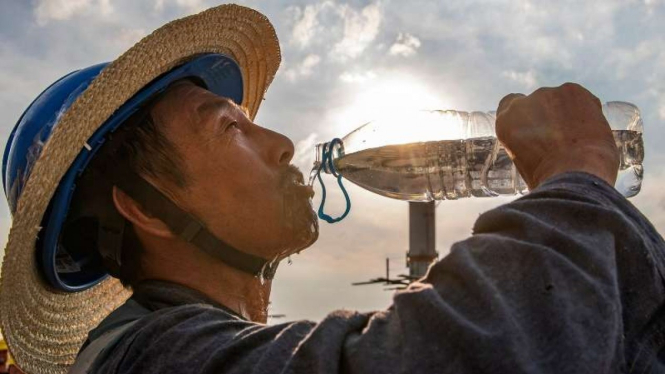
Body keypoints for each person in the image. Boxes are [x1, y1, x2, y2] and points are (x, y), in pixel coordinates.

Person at [1, 4, 663, 374]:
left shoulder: (199, 345)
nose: (281, 144)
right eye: (228, 129)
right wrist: (572, 173)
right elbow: (479, 353)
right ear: (143, 207)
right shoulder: (147, 362)